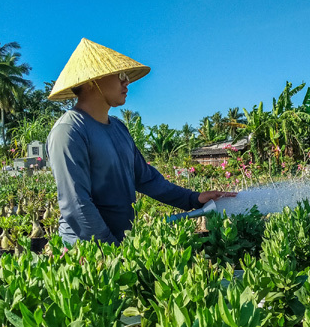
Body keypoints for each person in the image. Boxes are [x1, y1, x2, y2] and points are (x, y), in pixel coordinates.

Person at [46, 38, 236, 246]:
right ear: (93, 80)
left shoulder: (118, 128)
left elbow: (146, 179)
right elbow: (75, 203)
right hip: (87, 251)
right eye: (120, 76)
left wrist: (193, 198)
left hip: (121, 243)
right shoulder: (70, 131)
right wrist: (109, 249)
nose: (126, 82)